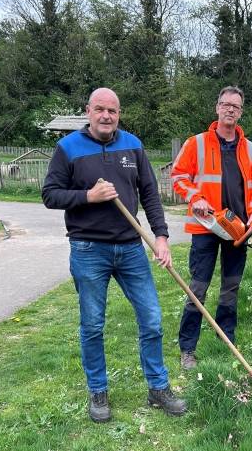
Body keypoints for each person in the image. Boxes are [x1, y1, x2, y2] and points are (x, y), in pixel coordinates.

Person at [42, 88, 186, 423]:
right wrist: (88, 196)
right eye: (100, 110)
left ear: (119, 114)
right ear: (88, 111)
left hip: (132, 247)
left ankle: (158, 387)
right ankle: (98, 391)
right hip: (88, 249)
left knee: (151, 318)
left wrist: (161, 237)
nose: (107, 116)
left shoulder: (133, 145)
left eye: (113, 111)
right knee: (92, 325)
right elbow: (50, 195)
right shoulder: (67, 149)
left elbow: (149, 192)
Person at [170, 86, 252, 370]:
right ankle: (187, 348)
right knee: (197, 288)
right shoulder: (196, 143)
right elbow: (178, 176)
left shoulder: (250, 150)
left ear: (241, 112)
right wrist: (195, 197)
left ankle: (227, 338)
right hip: (206, 227)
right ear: (217, 108)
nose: (230, 110)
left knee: (231, 287)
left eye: (235, 106)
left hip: (238, 230)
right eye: (225, 104)